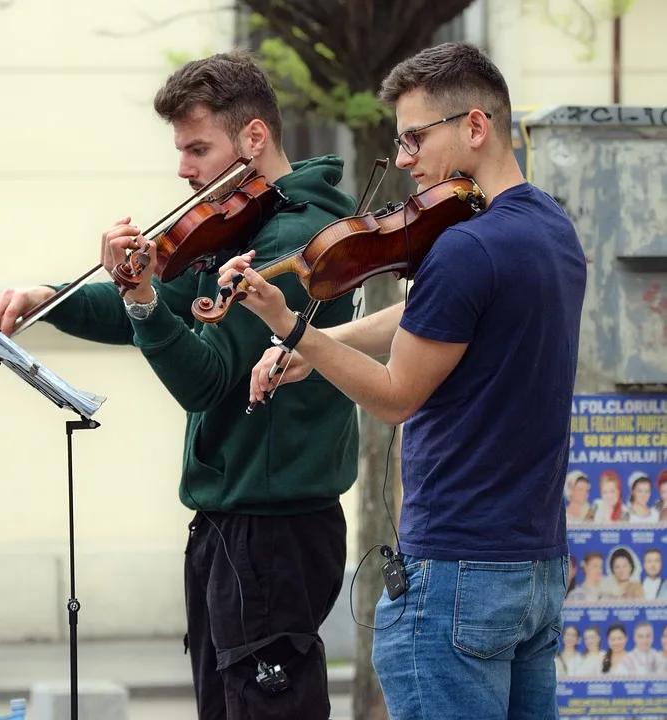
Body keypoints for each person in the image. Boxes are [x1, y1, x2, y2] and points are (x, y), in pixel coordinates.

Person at [0, 51, 360, 720]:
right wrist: (51, 296)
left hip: (272, 529)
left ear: (253, 139)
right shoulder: (234, 229)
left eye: (197, 148)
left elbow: (209, 382)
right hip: (232, 522)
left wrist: (143, 299)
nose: (183, 168)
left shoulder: (292, 241)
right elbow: (158, 305)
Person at [214, 41, 587, 718]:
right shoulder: (552, 230)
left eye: (415, 138)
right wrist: (316, 350)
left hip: (455, 571)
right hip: (535, 567)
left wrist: (296, 329)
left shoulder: (464, 250)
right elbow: (424, 314)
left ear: (476, 126)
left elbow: (394, 396)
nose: (406, 159)